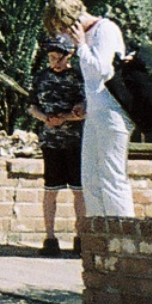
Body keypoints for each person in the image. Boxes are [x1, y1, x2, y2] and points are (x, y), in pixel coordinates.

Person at [46, 0, 134, 219]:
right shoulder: (85, 37)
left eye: (62, 28)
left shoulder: (105, 29)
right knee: (91, 178)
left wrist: (82, 46)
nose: (64, 35)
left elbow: (103, 69)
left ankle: (121, 231)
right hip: (94, 113)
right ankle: (98, 233)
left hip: (112, 113)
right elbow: (94, 81)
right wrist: (85, 104)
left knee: (112, 176)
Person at [27, 31, 87, 255]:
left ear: (69, 56)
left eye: (60, 58)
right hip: (51, 142)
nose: (56, 62)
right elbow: (32, 106)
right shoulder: (41, 77)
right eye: (52, 57)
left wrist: (66, 118)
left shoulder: (78, 78)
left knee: (78, 191)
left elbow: (84, 107)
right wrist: (45, 119)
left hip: (74, 141)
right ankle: (50, 237)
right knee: (50, 190)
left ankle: (80, 236)